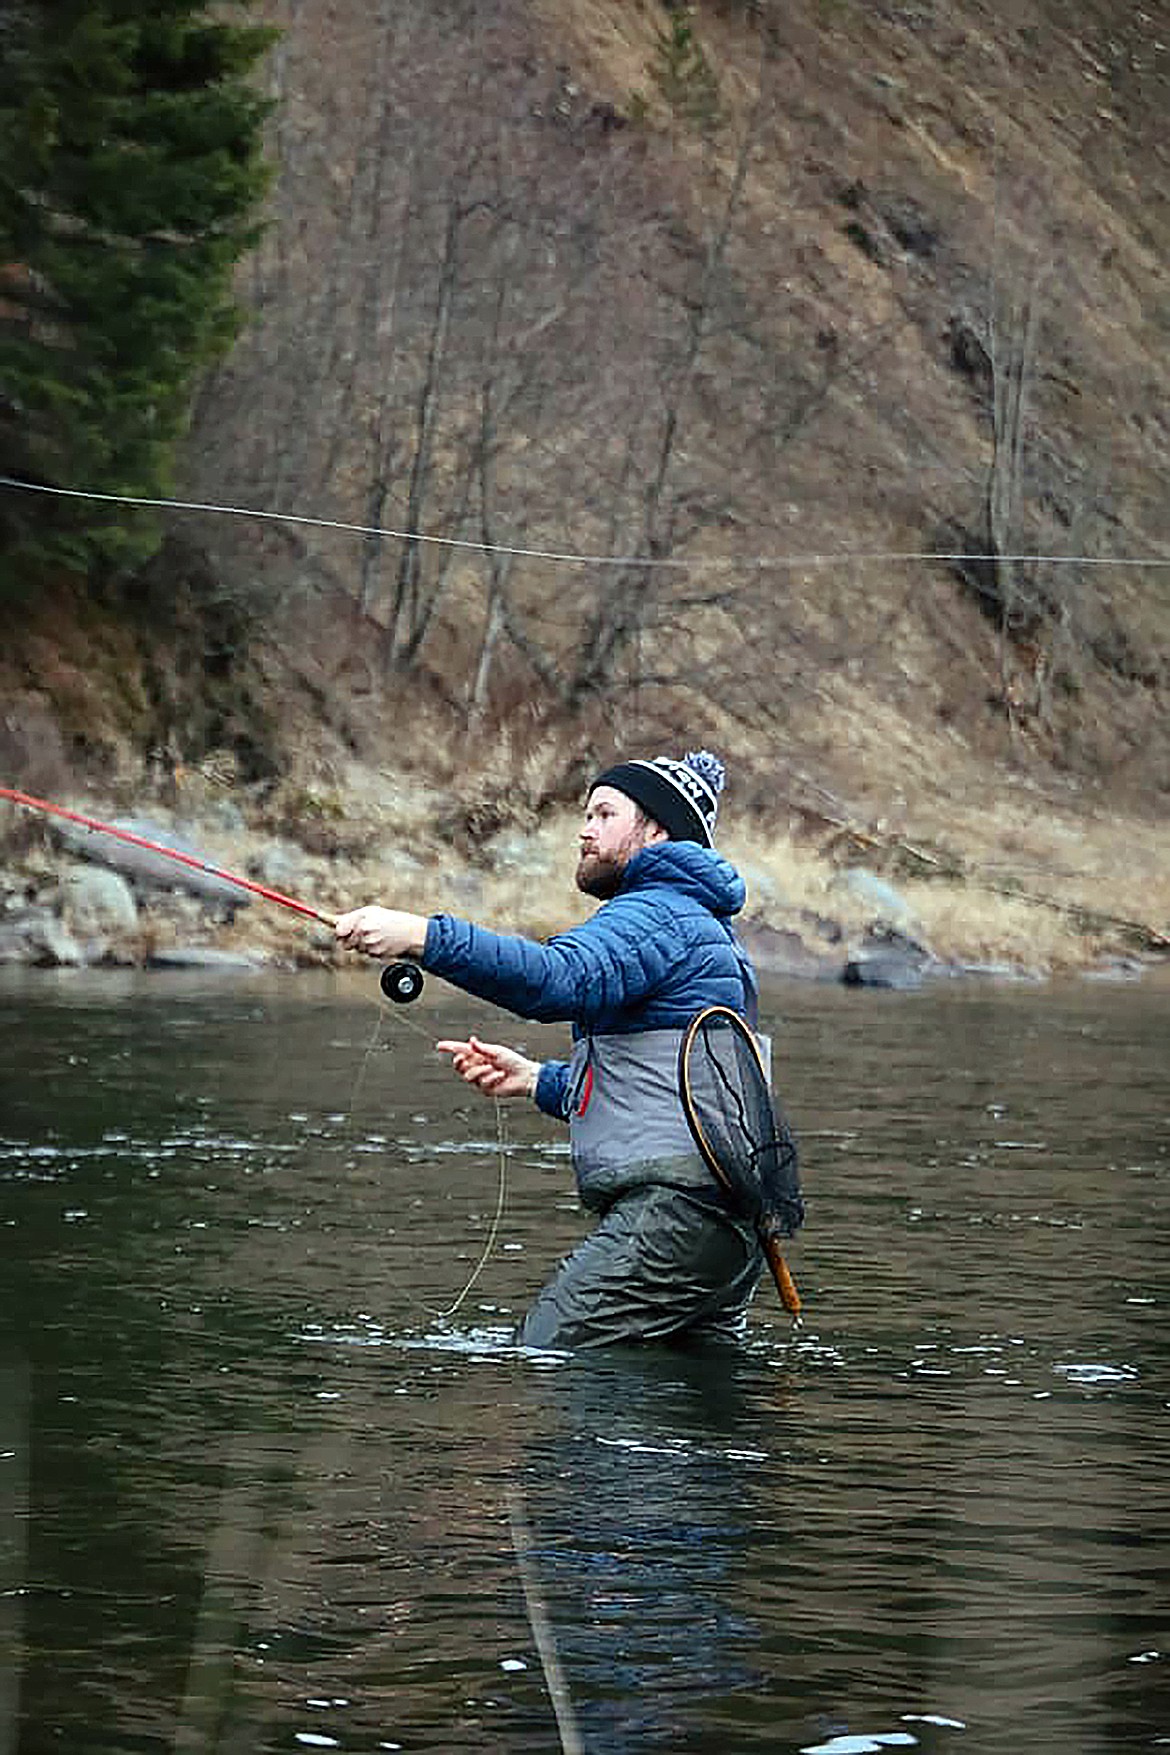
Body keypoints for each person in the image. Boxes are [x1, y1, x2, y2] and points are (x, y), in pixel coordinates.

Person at [334, 749, 765, 1349]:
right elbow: (677, 1087)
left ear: (658, 832)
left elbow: (557, 979)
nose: (584, 831)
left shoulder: (659, 914)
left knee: (548, 1357)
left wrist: (424, 936)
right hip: (723, 1235)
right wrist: (542, 1080)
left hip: (673, 1221)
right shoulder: (700, 924)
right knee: (689, 1420)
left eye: (604, 814)